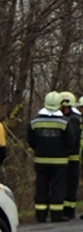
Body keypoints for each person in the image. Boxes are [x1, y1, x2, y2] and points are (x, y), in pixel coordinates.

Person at [28, 91, 77, 222]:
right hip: (60, 161)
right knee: (58, 186)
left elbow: (30, 140)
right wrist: (63, 150)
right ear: (59, 105)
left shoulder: (34, 121)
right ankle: (56, 214)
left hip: (40, 160)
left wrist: (39, 149)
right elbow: (71, 141)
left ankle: (41, 215)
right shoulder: (65, 122)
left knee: (41, 186)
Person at [61, 92, 83, 220]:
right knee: (68, 184)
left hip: (73, 157)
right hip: (74, 157)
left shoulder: (73, 119)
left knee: (71, 184)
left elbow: (74, 139)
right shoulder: (75, 119)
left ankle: (69, 211)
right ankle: (68, 210)